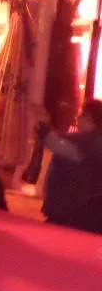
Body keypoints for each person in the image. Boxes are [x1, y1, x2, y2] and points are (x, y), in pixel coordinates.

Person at [38, 99, 102, 233]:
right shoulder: (87, 140)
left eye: (80, 114)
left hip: (76, 212)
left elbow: (58, 145)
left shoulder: (92, 142)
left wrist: (43, 127)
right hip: (76, 210)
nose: (77, 118)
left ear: (89, 117)